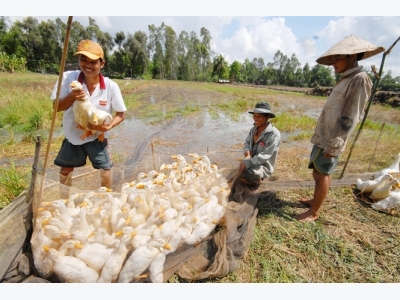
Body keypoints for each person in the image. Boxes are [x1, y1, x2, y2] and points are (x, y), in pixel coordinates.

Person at [295, 35, 385, 222]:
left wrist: (336, 143)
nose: (333, 63)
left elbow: (350, 116)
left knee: (323, 174)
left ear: (351, 57)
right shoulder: (346, 78)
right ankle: (315, 201)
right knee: (317, 172)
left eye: (337, 58)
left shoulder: (359, 79)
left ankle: (314, 212)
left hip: (332, 138)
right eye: (332, 59)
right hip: (324, 135)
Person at [51, 39, 127, 191]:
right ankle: (65, 203)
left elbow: (121, 114)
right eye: (83, 60)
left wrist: (108, 127)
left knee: (105, 172)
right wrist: (72, 96)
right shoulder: (68, 78)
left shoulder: (111, 86)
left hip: (96, 135)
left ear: (102, 64)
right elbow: (56, 108)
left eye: (93, 62)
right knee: (65, 171)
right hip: (72, 135)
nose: (88, 65)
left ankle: (105, 201)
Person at [238, 101, 281, 191]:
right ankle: (252, 175)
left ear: (267, 117)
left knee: (244, 177)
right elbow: (247, 142)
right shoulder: (253, 130)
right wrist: (247, 151)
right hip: (251, 161)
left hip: (263, 165)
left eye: (259, 116)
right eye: (254, 116)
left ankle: (257, 181)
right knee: (239, 172)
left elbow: (265, 155)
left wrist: (248, 163)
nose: (255, 119)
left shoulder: (273, 134)